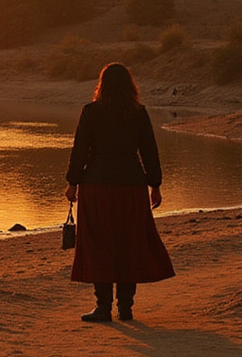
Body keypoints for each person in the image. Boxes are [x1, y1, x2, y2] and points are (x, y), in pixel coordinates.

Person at [64, 62, 175, 322]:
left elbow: (79, 150)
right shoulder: (138, 113)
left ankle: (103, 308)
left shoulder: (91, 112)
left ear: (101, 85)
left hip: (97, 186)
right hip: (131, 187)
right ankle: (126, 308)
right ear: (130, 86)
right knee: (129, 244)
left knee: (99, 245)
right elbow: (149, 151)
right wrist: (155, 185)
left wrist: (72, 183)